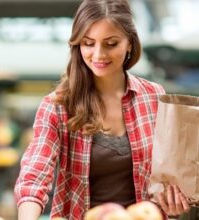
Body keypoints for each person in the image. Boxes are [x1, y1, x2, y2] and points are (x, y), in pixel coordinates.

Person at [14, 0, 191, 219]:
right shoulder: (58, 105)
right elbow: (35, 173)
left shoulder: (153, 97)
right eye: (89, 43)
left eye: (111, 43)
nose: (98, 55)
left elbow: (173, 173)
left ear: (129, 43)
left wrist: (175, 203)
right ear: (78, 44)